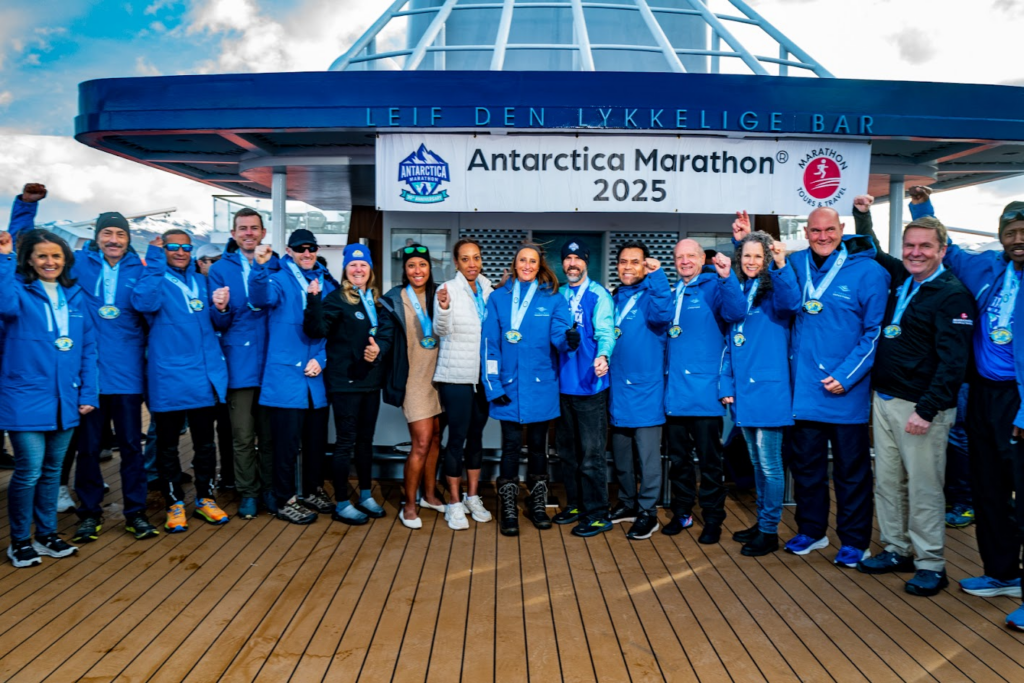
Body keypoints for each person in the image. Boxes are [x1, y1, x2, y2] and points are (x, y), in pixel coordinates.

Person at [849, 197, 974, 596]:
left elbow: (953, 364)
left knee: (923, 489)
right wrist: (862, 215)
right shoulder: (905, 279)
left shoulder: (952, 295)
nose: (915, 252)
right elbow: (872, 248)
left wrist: (927, 409)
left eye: (925, 246)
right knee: (888, 483)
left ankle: (931, 563)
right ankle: (896, 548)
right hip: (886, 399)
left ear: (942, 250)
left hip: (921, 409)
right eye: (910, 245)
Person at [923, 195, 1024, 629]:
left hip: (1019, 401)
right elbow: (951, 252)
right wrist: (921, 207)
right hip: (984, 395)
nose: (1018, 239)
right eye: (1010, 232)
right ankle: (1003, 573)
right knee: (988, 490)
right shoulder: (987, 267)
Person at [784, 206, 889, 566]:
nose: (823, 236)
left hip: (846, 391)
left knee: (850, 472)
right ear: (806, 232)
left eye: (829, 229)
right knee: (807, 469)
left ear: (842, 229)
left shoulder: (869, 271)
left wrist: (847, 376)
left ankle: (855, 541)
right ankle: (812, 530)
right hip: (805, 391)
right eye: (815, 231)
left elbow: (874, 332)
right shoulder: (795, 263)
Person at [0, 228, 98, 567]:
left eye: (56, 255)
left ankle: (46, 534)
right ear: (28, 259)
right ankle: (19, 540)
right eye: (41, 255)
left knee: (52, 471)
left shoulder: (75, 295)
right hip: (24, 395)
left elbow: (88, 347)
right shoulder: (17, 290)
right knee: (29, 470)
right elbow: (4, 307)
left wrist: (88, 391)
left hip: (65, 397)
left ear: (65, 259)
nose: (49, 261)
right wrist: (4, 259)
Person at [132, 229, 232, 532]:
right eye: (172, 246)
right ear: (162, 250)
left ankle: (205, 498)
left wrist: (221, 308)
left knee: (205, 444)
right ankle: (174, 502)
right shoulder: (155, 279)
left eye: (186, 247)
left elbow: (219, 323)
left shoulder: (201, 281)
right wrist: (153, 260)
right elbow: (143, 304)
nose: (179, 252)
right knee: (167, 447)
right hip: (169, 376)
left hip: (203, 375)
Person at [67, 212, 158, 544]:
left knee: (131, 447)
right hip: (89, 374)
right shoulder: (78, 264)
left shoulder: (140, 269)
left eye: (120, 234)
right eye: (107, 233)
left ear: (129, 238)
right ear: (96, 236)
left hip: (127, 374)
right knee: (89, 449)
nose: (114, 240)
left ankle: (135, 512)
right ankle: (90, 513)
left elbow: (150, 310)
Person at [719, 219, 801, 556]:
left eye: (757, 256)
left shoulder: (775, 292)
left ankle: (769, 531)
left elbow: (792, 302)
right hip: (745, 391)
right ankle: (762, 522)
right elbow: (730, 342)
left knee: (770, 465)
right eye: (746, 256)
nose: (751, 261)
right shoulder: (743, 290)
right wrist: (726, 383)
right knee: (756, 464)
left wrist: (781, 264)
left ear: (767, 259)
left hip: (769, 391)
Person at [481, 243, 573, 537]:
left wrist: (568, 340)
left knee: (538, 448)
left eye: (533, 261)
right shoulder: (498, 298)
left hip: (541, 387)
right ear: (515, 263)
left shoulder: (553, 298)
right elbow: (490, 345)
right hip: (508, 387)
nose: (527, 265)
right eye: (523, 260)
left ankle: (537, 504)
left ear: (539, 265)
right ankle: (508, 508)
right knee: (510, 447)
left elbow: (559, 337)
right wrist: (493, 385)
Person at [662, 238, 745, 543]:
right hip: (675, 394)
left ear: (701, 259)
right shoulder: (672, 292)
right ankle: (682, 512)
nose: (685, 261)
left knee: (710, 463)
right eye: (679, 257)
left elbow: (736, 313)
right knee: (679, 462)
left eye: (690, 256)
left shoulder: (714, 287)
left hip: (706, 393)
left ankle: (712, 518)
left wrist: (727, 276)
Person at [251, 229, 335, 525]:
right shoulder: (278, 279)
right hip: (286, 377)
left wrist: (322, 359)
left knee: (315, 443)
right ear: (289, 251)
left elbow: (333, 329)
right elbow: (259, 298)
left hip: (315, 378)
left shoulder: (326, 282)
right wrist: (259, 267)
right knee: (286, 446)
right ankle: (284, 499)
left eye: (311, 248)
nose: (307, 253)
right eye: (300, 249)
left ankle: (311, 490)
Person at [304, 243, 385, 525]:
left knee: (365, 442)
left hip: (370, 382)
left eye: (363, 265)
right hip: (345, 383)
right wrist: (313, 301)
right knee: (345, 443)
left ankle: (365, 495)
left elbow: (381, 336)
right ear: (345, 270)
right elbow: (317, 330)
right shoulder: (336, 298)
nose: (358, 269)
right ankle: (341, 502)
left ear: (370, 269)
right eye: (353, 265)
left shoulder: (374, 299)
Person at [208, 209, 277, 519]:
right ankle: (248, 491)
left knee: (270, 435)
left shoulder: (276, 264)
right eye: (243, 228)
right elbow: (216, 322)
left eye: (254, 228)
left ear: (263, 232)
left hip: (272, 363)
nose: (249, 233)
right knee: (243, 436)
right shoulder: (220, 269)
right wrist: (220, 309)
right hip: (239, 365)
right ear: (234, 234)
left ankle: (269, 489)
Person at [608, 240, 673, 540]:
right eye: (623, 261)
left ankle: (648, 512)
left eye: (635, 262)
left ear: (646, 266)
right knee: (621, 456)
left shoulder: (652, 296)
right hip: (617, 389)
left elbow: (663, 315)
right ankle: (627, 502)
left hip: (646, 390)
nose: (628, 267)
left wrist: (658, 276)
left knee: (647, 459)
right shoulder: (614, 297)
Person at [378, 244, 447, 529]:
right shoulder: (393, 300)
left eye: (422, 265)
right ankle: (409, 504)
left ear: (430, 268)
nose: (417, 270)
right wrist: (375, 351)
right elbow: (384, 337)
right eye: (411, 266)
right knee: (421, 442)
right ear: (404, 270)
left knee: (435, 440)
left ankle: (429, 495)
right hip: (413, 381)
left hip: (441, 379)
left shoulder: (441, 294)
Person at [553, 239, 616, 538]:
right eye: (568, 259)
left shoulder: (598, 294)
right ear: (562, 263)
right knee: (568, 453)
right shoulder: (558, 294)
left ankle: (598, 514)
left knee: (591, 456)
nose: (572, 263)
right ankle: (577, 505)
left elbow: (606, 332)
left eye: (578, 259)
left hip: (590, 386)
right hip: (562, 386)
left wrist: (603, 355)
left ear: (586, 262)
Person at [433, 239, 494, 527]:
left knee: (477, 437)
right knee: (456, 439)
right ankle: (455, 503)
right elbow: (440, 329)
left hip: (483, 378)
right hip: (456, 377)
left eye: (476, 258)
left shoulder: (489, 290)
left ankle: (472, 497)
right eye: (466, 259)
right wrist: (444, 308)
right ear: (456, 263)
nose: (472, 264)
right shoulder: (447, 289)